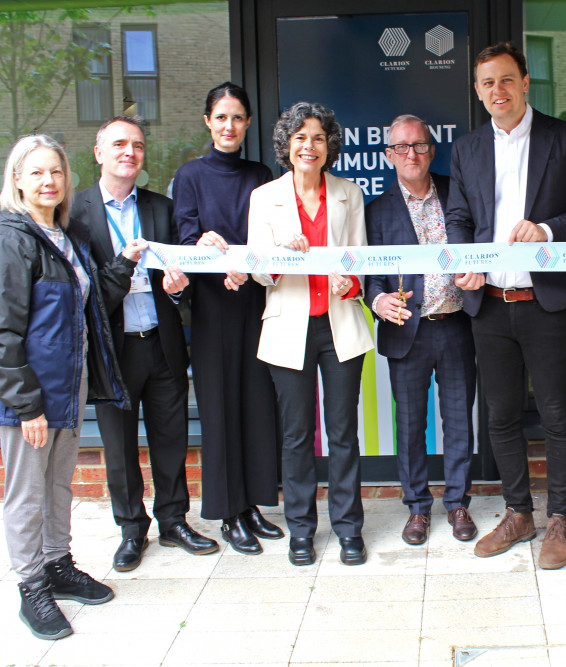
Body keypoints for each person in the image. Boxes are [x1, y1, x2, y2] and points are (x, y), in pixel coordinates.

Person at [445, 42, 566, 570]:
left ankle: (559, 519)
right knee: (502, 414)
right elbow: (460, 217)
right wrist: (465, 262)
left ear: (526, 81)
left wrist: (548, 231)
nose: (498, 91)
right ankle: (519, 513)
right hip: (488, 304)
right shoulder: (466, 150)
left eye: (506, 80)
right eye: (487, 83)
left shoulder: (565, 138)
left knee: (558, 414)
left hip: (546, 302)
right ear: (477, 89)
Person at [0, 135, 139, 639]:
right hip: (31, 397)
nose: (49, 181)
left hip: (68, 389)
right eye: (37, 172)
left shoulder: (64, 236)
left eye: (56, 173)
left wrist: (126, 262)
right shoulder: (10, 238)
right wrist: (26, 406)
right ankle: (31, 587)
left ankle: (57, 565)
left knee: (59, 484)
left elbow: (90, 308)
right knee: (26, 494)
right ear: (18, 180)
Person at [73, 115, 218, 573]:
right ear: (98, 153)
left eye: (136, 145)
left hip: (161, 341)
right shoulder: (76, 214)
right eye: (118, 144)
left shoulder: (161, 207)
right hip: (113, 351)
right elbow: (83, 292)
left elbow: (184, 282)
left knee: (171, 439)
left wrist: (179, 287)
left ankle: (174, 521)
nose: (129, 153)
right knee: (118, 447)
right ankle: (132, 529)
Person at [248, 102, 373, 567]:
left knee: (343, 434)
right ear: (287, 144)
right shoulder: (264, 197)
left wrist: (351, 280)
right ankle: (301, 529)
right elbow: (259, 272)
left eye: (318, 137)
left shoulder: (349, 193)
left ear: (329, 146)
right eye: (300, 137)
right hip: (289, 328)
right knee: (297, 435)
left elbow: (359, 257)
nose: (309, 145)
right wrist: (280, 256)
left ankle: (348, 529)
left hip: (339, 324)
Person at [172, 82, 283, 555]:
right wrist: (209, 252)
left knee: (257, 407)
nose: (229, 126)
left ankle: (255, 504)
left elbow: (269, 233)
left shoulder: (260, 173)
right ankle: (228, 513)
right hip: (215, 308)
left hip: (256, 304)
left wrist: (250, 264)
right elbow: (186, 235)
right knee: (219, 410)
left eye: (237, 117)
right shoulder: (191, 175)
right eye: (221, 117)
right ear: (207, 121)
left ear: (248, 123)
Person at [365, 114, 477, 546]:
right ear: (389, 155)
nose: (411, 154)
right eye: (401, 147)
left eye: (419, 145)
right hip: (406, 330)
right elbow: (368, 273)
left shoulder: (456, 193)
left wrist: (477, 272)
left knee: (457, 421)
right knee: (410, 425)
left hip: (455, 325)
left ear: (431, 149)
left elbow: (478, 242)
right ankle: (416, 507)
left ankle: (458, 502)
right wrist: (377, 300)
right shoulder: (376, 210)